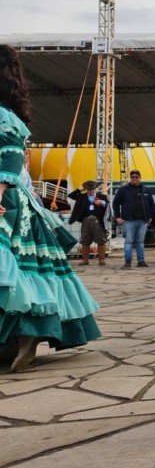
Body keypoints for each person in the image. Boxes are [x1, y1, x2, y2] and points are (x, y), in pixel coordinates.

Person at [0, 44, 100, 372]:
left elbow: (9, 164)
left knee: (15, 273)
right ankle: (23, 336)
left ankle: (22, 336)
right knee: (23, 273)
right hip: (15, 202)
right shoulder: (10, 114)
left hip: (7, 202)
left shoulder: (4, 118)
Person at [112, 170, 155, 268]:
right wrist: (118, 216)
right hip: (129, 220)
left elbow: (152, 205)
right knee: (129, 241)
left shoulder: (145, 190)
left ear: (140, 178)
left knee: (140, 242)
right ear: (130, 178)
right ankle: (128, 261)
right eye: (132, 177)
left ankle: (141, 261)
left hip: (143, 221)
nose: (135, 178)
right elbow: (115, 203)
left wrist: (150, 217)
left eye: (137, 177)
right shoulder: (123, 190)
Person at [68, 180, 109, 266]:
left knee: (101, 240)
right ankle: (85, 260)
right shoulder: (81, 197)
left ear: (95, 189)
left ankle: (101, 259)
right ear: (86, 189)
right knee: (85, 240)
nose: (90, 191)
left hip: (98, 221)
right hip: (85, 221)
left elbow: (108, 205)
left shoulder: (102, 196)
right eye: (88, 189)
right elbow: (70, 195)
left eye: (92, 189)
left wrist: (102, 202)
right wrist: (80, 189)